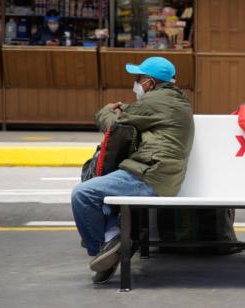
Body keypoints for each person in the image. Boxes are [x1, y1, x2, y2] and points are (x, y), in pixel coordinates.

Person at [71, 57, 194, 284]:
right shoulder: (173, 100)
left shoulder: (155, 101)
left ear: (149, 83)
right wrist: (125, 109)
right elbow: (139, 115)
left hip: (148, 175)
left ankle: (103, 249)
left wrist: (105, 112)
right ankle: (112, 238)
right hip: (159, 174)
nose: (135, 85)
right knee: (104, 196)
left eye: (138, 80)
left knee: (83, 194)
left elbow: (117, 129)